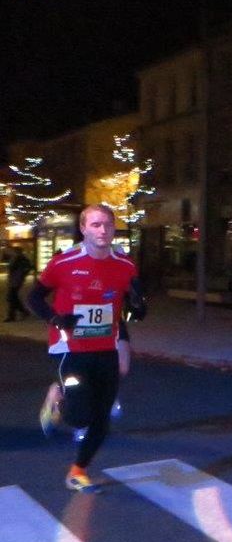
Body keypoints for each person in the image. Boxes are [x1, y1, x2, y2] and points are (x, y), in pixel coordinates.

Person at [27, 204, 146, 493]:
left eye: (107, 224)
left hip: (106, 348)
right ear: (83, 229)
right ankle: (57, 397)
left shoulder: (126, 265)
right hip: (70, 349)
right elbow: (34, 298)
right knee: (79, 416)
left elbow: (133, 307)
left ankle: (77, 471)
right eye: (95, 224)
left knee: (101, 419)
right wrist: (55, 318)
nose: (103, 230)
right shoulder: (63, 263)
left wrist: (138, 306)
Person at [4, 246, 33, 321]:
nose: (12, 252)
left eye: (13, 251)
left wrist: (22, 275)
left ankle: (12, 316)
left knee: (11, 297)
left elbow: (27, 267)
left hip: (16, 280)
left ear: (17, 251)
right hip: (14, 280)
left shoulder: (20, 258)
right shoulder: (17, 258)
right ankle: (22, 312)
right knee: (13, 297)